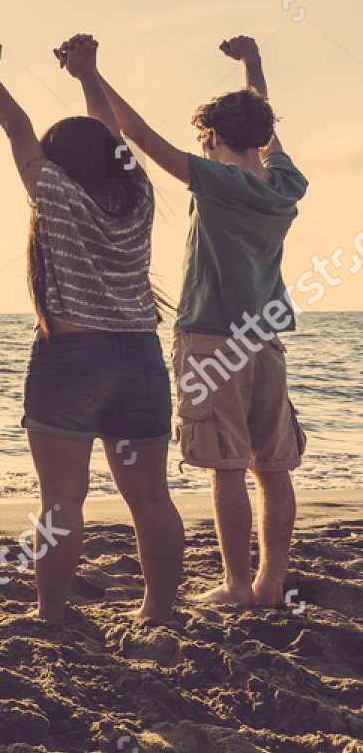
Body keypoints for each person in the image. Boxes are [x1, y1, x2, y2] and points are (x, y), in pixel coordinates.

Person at [93, 35, 307, 608]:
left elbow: (138, 135)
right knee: (274, 466)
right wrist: (251, 65)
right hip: (266, 343)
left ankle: (237, 584)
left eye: (206, 140)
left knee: (228, 467)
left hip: (212, 342)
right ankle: (270, 583)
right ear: (263, 137)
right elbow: (263, 123)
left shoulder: (217, 180)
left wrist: (90, 73)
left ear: (212, 137)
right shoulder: (284, 184)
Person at [0, 35, 185, 623]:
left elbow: (17, 129)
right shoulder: (140, 196)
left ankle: (51, 616)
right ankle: (158, 613)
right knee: (150, 498)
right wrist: (88, 73)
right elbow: (111, 137)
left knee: (63, 500)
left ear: (59, 160)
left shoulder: (54, 191)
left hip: (71, 358)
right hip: (141, 359)